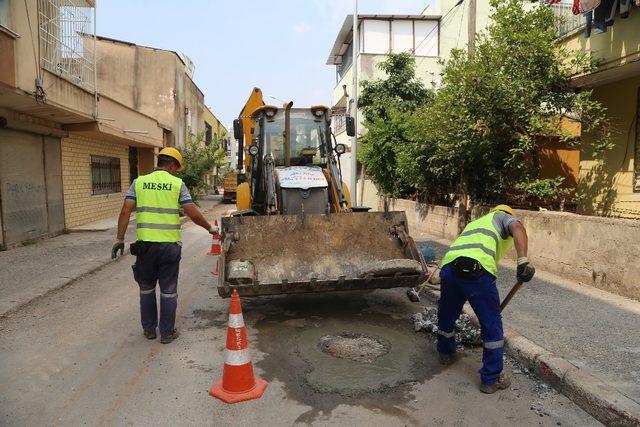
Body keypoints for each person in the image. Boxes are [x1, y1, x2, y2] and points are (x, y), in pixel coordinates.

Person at [111, 147, 218, 344]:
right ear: (171, 165)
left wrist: (119, 239)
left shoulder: (139, 182)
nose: (176, 172)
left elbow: (126, 211)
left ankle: (150, 330)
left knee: (146, 289)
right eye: (176, 168)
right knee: (168, 291)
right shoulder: (177, 184)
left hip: (146, 247)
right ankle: (167, 333)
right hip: (169, 247)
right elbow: (193, 213)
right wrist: (210, 229)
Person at [437, 205, 535, 393]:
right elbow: (518, 228)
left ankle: (445, 353)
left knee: (446, 313)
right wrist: (522, 262)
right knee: (492, 324)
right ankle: (491, 379)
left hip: (449, 268)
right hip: (477, 270)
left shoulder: (475, 223)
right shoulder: (501, 217)